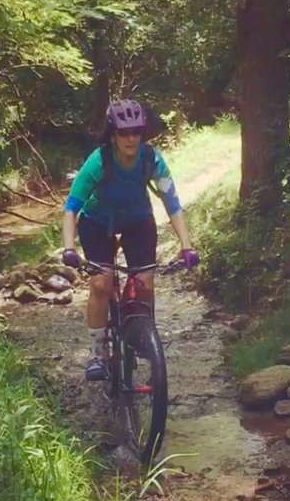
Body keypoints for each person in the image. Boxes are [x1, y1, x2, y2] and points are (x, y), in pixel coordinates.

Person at [62, 99, 200, 381]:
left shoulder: (153, 160)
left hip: (138, 220)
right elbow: (71, 208)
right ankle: (98, 354)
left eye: (136, 132)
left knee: (144, 281)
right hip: (98, 222)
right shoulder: (99, 162)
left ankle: (141, 333)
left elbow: (173, 205)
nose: (131, 138)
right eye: (124, 133)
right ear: (112, 135)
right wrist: (68, 247)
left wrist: (186, 245)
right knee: (102, 283)